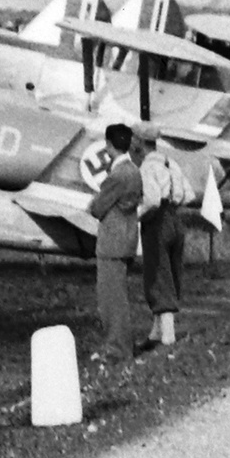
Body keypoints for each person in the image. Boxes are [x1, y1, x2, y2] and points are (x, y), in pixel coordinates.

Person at [87, 123, 143, 363]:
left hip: (112, 243)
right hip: (127, 238)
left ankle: (116, 349)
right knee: (118, 297)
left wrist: (93, 203)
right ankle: (122, 345)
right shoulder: (134, 171)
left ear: (109, 145)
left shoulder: (117, 175)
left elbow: (97, 207)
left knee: (110, 300)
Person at [136, 122, 192, 348]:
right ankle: (156, 332)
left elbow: (151, 200)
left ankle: (168, 337)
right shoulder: (172, 164)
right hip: (176, 220)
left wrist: (137, 215)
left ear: (139, 143)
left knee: (158, 275)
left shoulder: (146, 168)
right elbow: (188, 195)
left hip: (157, 223)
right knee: (173, 271)